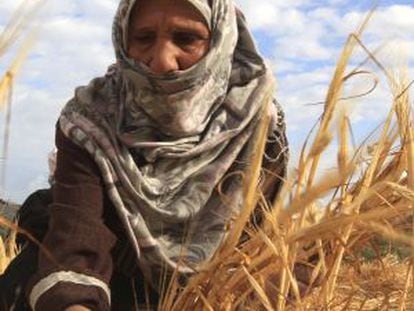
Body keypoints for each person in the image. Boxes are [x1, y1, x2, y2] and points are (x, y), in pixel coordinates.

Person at [0, 0, 288, 310]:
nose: (162, 60)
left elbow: (250, 248)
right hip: (110, 283)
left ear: (221, 39)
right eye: (144, 38)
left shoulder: (257, 122)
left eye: (186, 38)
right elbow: (77, 247)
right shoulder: (89, 119)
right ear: (123, 40)